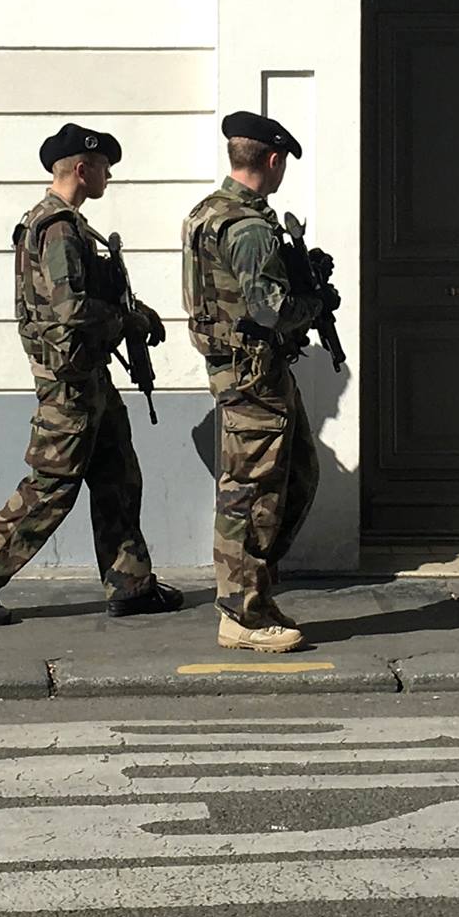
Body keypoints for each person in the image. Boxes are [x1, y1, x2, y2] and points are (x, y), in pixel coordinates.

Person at [0, 123, 182, 626]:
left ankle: (131, 583)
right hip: (69, 385)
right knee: (52, 486)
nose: (109, 177)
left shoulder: (70, 226)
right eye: (104, 168)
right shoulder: (57, 228)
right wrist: (126, 320)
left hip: (90, 378)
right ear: (82, 168)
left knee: (118, 477)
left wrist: (134, 312)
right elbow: (69, 308)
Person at [181, 111, 336, 651]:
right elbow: (270, 311)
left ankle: (254, 588)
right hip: (253, 376)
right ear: (272, 161)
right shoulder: (247, 226)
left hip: (252, 372)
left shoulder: (209, 212)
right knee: (253, 493)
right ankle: (242, 614)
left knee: (295, 477)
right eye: (283, 164)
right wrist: (315, 301)